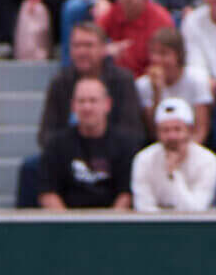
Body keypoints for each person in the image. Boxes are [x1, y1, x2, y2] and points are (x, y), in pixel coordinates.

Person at [20, 20, 144, 205]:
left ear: (103, 49)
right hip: (68, 153)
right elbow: (46, 134)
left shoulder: (123, 80)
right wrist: (70, 151)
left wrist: (102, 150)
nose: (82, 51)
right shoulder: (60, 82)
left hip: (113, 152)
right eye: (77, 45)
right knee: (31, 169)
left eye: (88, 45)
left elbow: (133, 133)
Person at [38, 76, 136, 211]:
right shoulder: (56, 145)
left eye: (93, 101)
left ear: (107, 104)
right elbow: (48, 193)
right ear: (73, 106)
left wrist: (111, 225)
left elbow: (126, 195)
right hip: (67, 225)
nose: (87, 107)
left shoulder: (126, 145)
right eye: (81, 101)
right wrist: (68, 225)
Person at [130, 96, 216, 212]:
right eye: (165, 130)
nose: (172, 137)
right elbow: (144, 208)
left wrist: (174, 174)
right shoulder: (143, 160)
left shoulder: (208, 161)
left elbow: (196, 211)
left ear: (190, 130)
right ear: (157, 133)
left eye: (177, 129)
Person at [93, 0, 174, 79]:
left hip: (150, 82)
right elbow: (91, 49)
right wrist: (106, 51)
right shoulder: (110, 14)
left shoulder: (162, 19)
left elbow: (168, 62)